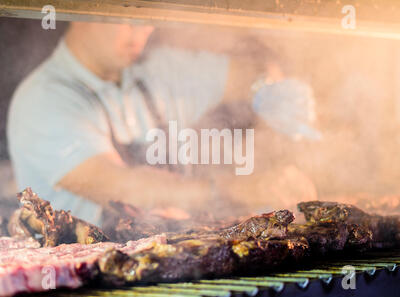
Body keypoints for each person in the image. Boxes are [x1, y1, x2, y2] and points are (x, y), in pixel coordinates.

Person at [7, 22, 320, 228]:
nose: (141, 30)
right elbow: (123, 189)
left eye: (145, 15)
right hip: (88, 275)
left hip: (171, 257)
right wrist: (234, 189)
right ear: (82, 11)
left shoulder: (157, 69)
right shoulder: (43, 99)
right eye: (125, 13)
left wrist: (267, 88)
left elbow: (247, 72)